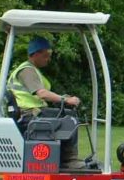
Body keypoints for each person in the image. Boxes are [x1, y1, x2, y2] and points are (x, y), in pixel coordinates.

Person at [7, 37, 84, 169]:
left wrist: (62, 98)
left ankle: (61, 158)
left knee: (67, 114)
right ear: (35, 54)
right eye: (45, 56)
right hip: (30, 114)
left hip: (33, 112)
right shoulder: (27, 71)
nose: (48, 59)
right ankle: (69, 160)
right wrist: (66, 100)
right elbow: (42, 94)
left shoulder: (31, 70)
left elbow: (42, 95)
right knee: (70, 118)